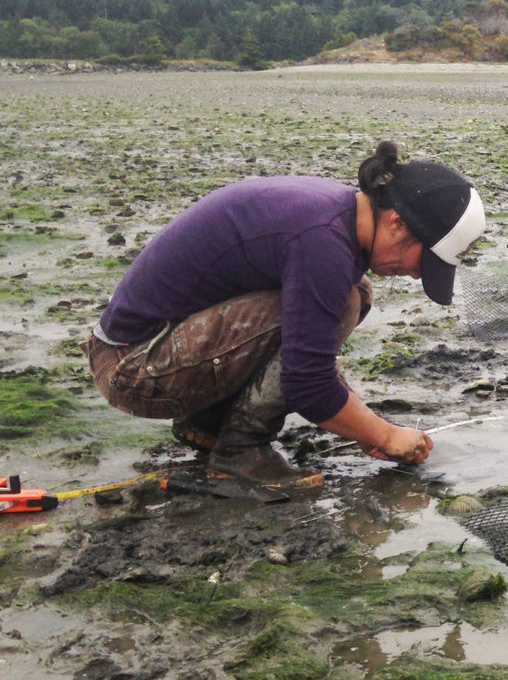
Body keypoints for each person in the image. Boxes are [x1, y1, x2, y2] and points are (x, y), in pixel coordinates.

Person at [80, 141, 486, 488]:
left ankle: (207, 425)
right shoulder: (321, 243)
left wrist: (359, 427)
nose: (416, 274)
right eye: (422, 262)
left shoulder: (335, 211)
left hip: (153, 345)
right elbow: (306, 380)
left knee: (352, 291)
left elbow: (306, 351)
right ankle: (239, 452)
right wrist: (383, 433)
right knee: (344, 299)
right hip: (133, 368)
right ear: (397, 223)